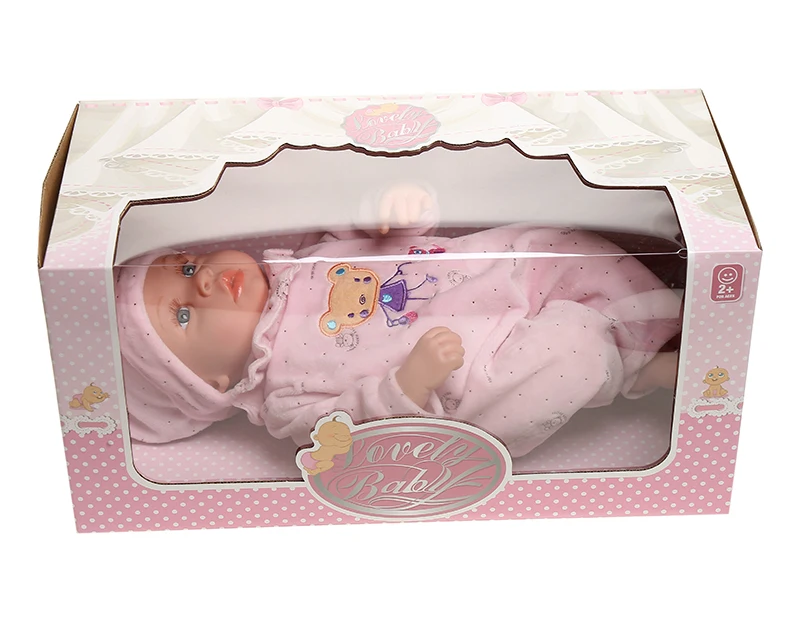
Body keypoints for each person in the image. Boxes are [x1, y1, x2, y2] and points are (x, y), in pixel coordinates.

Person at [116, 184, 682, 457]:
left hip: (484, 282)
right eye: (183, 313)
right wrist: (408, 384)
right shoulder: (282, 399)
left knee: (561, 247)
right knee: (568, 353)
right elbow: (347, 431)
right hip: (470, 377)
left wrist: (393, 215)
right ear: (208, 382)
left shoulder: (302, 259)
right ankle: (640, 371)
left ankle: (672, 309)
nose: (204, 282)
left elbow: (376, 240)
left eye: (186, 267)